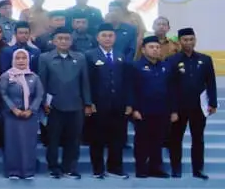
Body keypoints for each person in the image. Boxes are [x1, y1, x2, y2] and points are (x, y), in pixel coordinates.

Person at [38, 28, 92, 179]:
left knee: (74, 139)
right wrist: (43, 102)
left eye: (66, 38)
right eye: (60, 38)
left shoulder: (80, 58)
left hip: (76, 104)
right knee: (53, 139)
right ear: (54, 41)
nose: (63, 41)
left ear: (71, 40)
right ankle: (53, 167)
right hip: (53, 105)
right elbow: (42, 81)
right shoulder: (45, 58)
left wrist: (87, 102)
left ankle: (70, 168)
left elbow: (85, 82)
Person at [166, 27, 217, 180]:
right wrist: (172, 109)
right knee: (176, 139)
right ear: (180, 41)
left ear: (195, 40)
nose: (188, 42)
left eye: (191, 39)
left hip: (198, 106)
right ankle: (176, 168)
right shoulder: (172, 60)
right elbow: (170, 86)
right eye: (185, 40)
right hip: (179, 107)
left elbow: (211, 82)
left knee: (198, 139)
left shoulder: (205, 59)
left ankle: (198, 169)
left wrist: (213, 103)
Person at [85, 24, 131, 179]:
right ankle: (98, 169)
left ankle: (115, 168)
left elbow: (126, 81)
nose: (107, 38)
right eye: (104, 35)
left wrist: (128, 103)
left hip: (118, 104)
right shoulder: (89, 55)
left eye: (110, 35)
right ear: (97, 38)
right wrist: (89, 102)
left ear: (115, 38)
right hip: (98, 104)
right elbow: (86, 81)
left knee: (117, 138)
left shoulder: (120, 55)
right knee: (97, 138)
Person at [0, 48, 46, 180]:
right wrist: (13, 109)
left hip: (30, 115)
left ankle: (28, 171)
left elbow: (39, 95)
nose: (21, 61)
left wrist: (31, 110)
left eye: (24, 58)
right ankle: (13, 171)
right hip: (12, 115)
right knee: (12, 143)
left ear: (28, 60)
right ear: (13, 60)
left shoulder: (34, 77)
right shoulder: (6, 76)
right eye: (18, 58)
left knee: (29, 144)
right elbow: (3, 94)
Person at [130, 36, 172, 178]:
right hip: (142, 111)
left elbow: (171, 89)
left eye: (157, 47)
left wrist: (173, 110)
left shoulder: (165, 66)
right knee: (142, 141)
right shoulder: (136, 66)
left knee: (158, 140)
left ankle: (156, 168)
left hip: (162, 110)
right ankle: (141, 168)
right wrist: (134, 108)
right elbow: (131, 89)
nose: (155, 50)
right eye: (151, 47)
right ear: (143, 50)